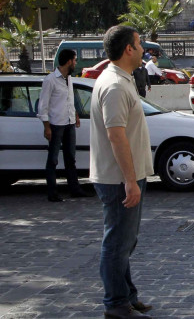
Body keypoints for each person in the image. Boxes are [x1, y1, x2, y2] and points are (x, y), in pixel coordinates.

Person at [90, 26, 154, 319]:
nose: (143, 50)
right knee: (117, 243)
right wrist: (130, 180)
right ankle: (116, 304)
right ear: (128, 49)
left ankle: (126, 296)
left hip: (125, 177)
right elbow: (116, 135)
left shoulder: (121, 79)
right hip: (118, 179)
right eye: (139, 44)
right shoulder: (115, 85)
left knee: (125, 241)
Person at [37, 49, 91, 202]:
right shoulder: (50, 80)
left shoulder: (69, 78)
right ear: (68, 61)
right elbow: (43, 105)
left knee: (70, 158)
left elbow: (68, 100)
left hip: (69, 123)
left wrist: (74, 114)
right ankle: (52, 193)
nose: (76, 63)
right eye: (74, 60)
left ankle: (74, 189)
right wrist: (46, 126)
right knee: (53, 159)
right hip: (55, 124)